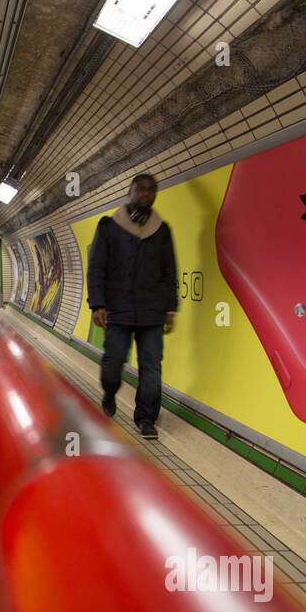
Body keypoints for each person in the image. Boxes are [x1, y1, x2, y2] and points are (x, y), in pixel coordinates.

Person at [86, 173, 177, 440]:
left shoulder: (162, 230)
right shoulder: (109, 227)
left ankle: (146, 417)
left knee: (151, 366)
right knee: (113, 362)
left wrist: (170, 309)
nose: (145, 195)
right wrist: (98, 304)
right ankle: (110, 391)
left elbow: (170, 271)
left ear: (155, 194)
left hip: (151, 312)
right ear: (130, 192)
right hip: (118, 308)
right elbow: (96, 267)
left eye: (150, 191)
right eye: (140, 190)